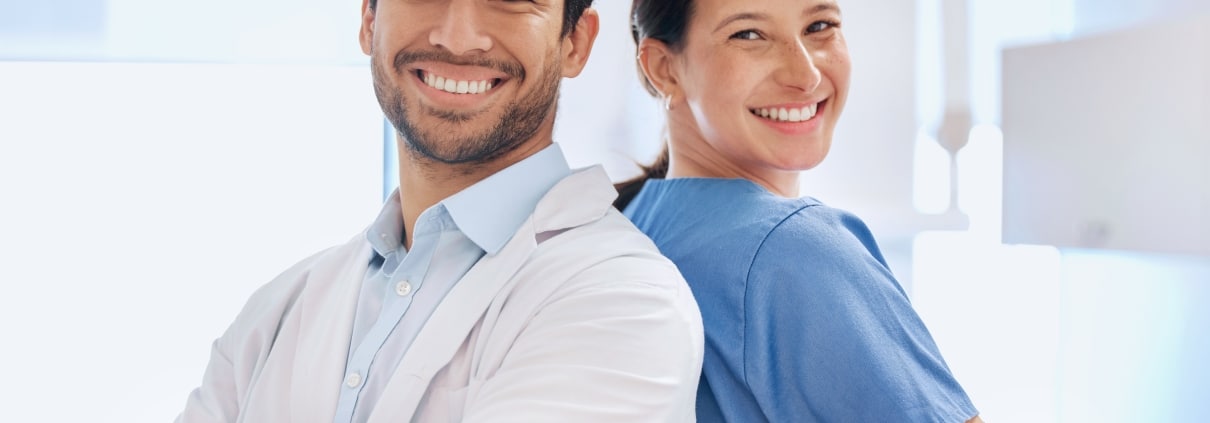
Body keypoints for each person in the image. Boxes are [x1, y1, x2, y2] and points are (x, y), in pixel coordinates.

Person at [176, 0, 705, 421]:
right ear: (368, 19)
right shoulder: (278, 309)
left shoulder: (625, 303)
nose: (457, 36)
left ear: (576, 43)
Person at [616, 0, 982, 421]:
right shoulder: (793, 250)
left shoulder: (633, 222)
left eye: (820, 25)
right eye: (749, 34)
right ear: (664, 68)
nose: (805, 74)